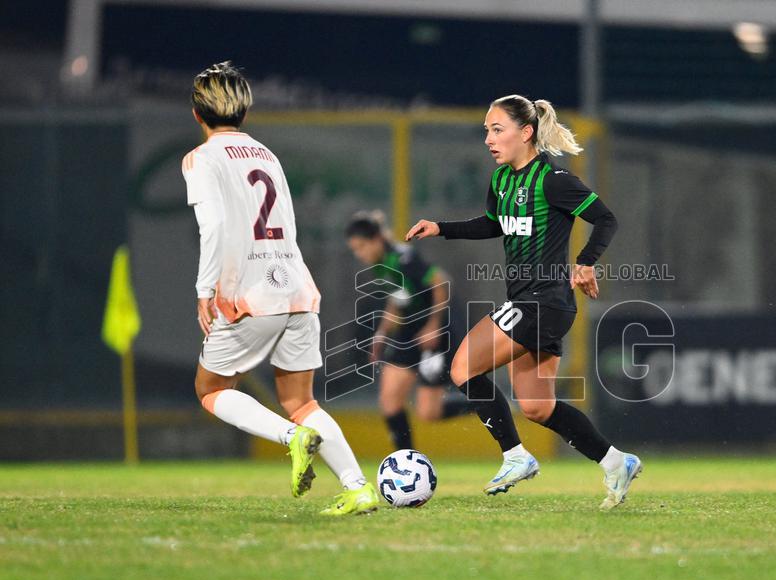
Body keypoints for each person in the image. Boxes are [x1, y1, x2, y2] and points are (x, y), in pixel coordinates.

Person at [405, 94, 642, 509]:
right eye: (486, 131)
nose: (489, 140)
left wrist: (586, 263)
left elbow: (606, 218)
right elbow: (492, 224)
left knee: (461, 367)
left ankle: (515, 456)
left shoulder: (552, 178)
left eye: (497, 130)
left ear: (526, 132)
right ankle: (615, 461)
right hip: (535, 304)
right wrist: (439, 227)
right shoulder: (501, 180)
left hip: (542, 301)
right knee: (535, 406)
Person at [182, 61, 377, 515]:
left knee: (210, 389)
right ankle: (357, 487)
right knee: (300, 400)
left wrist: (204, 288)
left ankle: (293, 439)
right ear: (245, 112)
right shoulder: (266, 154)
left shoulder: (201, 158)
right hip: (296, 289)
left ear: (197, 114)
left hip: (251, 296)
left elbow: (212, 226)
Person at [344, 210, 476, 451]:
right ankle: (405, 461)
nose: (358, 254)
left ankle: (483, 404)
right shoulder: (380, 265)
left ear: (375, 240)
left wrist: (433, 325)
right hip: (408, 333)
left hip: (436, 334)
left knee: (428, 412)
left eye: (361, 246)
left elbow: (441, 282)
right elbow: (398, 299)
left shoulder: (403, 257)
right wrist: (382, 334)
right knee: (389, 401)